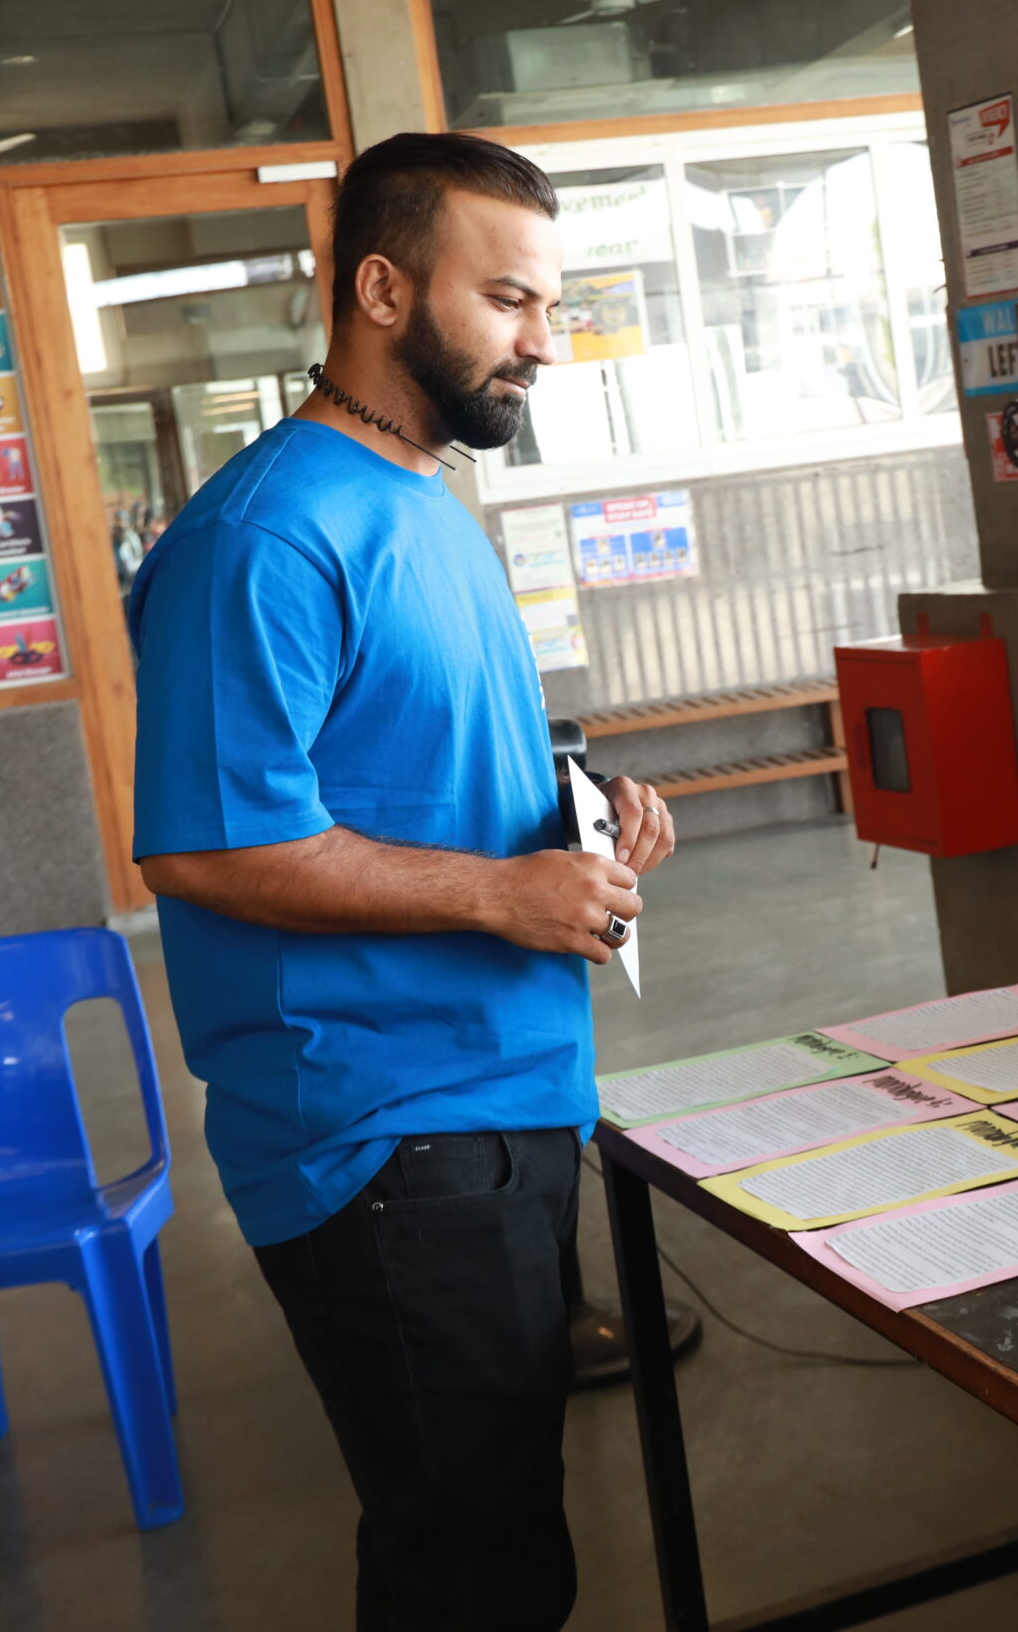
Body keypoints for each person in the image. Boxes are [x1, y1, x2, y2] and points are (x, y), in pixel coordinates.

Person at [128, 131, 676, 1632]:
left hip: (503, 1092)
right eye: (507, 299)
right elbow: (209, 841)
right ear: (380, 289)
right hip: (385, 1136)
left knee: (487, 1541)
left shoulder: (428, 501)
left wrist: (579, 824)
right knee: (477, 1573)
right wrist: (500, 898)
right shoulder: (265, 536)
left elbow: (410, 768)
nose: (541, 341)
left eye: (549, 304)